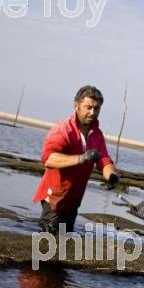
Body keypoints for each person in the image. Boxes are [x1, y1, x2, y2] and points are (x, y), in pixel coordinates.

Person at [33, 85, 119, 234]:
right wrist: (81, 158)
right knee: (47, 244)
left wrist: (112, 176)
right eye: (88, 107)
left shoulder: (97, 135)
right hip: (54, 199)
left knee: (65, 245)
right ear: (76, 106)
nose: (92, 112)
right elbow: (48, 159)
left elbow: (104, 160)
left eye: (97, 108)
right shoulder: (63, 130)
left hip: (73, 202)